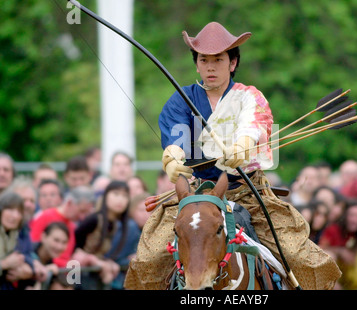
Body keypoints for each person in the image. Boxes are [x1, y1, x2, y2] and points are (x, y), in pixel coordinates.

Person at [125, 22, 341, 290]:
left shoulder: (249, 97)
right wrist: (173, 157)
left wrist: (242, 147)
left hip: (248, 192)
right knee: (147, 262)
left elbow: (255, 124)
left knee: (304, 259)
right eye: (204, 60)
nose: (211, 67)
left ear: (233, 62)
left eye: (219, 59)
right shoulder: (182, 99)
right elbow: (175, 136)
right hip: (195, 195)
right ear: (197, 65)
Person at [74, 181, 131, 288]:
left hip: (92, 274)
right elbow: (74, 244)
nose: (120, 199)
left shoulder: (114, 224)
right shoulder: (94, 219)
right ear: (105, 196)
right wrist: (91, 259)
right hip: (76, 273)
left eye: (125, 196)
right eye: (116, 194)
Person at [29, 186, 96, 268]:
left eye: (86, 213)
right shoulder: (46, 216)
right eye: (81, 211)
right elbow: (32, 248)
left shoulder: (72, 226)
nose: (82, 217)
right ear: (69, 203)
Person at [319, 201, 357, 289]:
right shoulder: (333, 230)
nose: (355, 220)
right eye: (352, 215)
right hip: (329, 277)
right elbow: (319, 249)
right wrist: (340, 251)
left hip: (349, 280)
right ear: (345, 216)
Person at [0, 192, 36, 289]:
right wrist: (4, 264)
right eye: (10, 209)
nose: (15, 216)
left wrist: (29, 267)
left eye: (19, 212)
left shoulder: (14, 233)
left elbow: (27, 254)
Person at [31, 222, 70, 289]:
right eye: (56, 240)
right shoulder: (27, 253)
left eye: (64, 242)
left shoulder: (51, 263)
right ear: (43, 237)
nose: (59, 247)